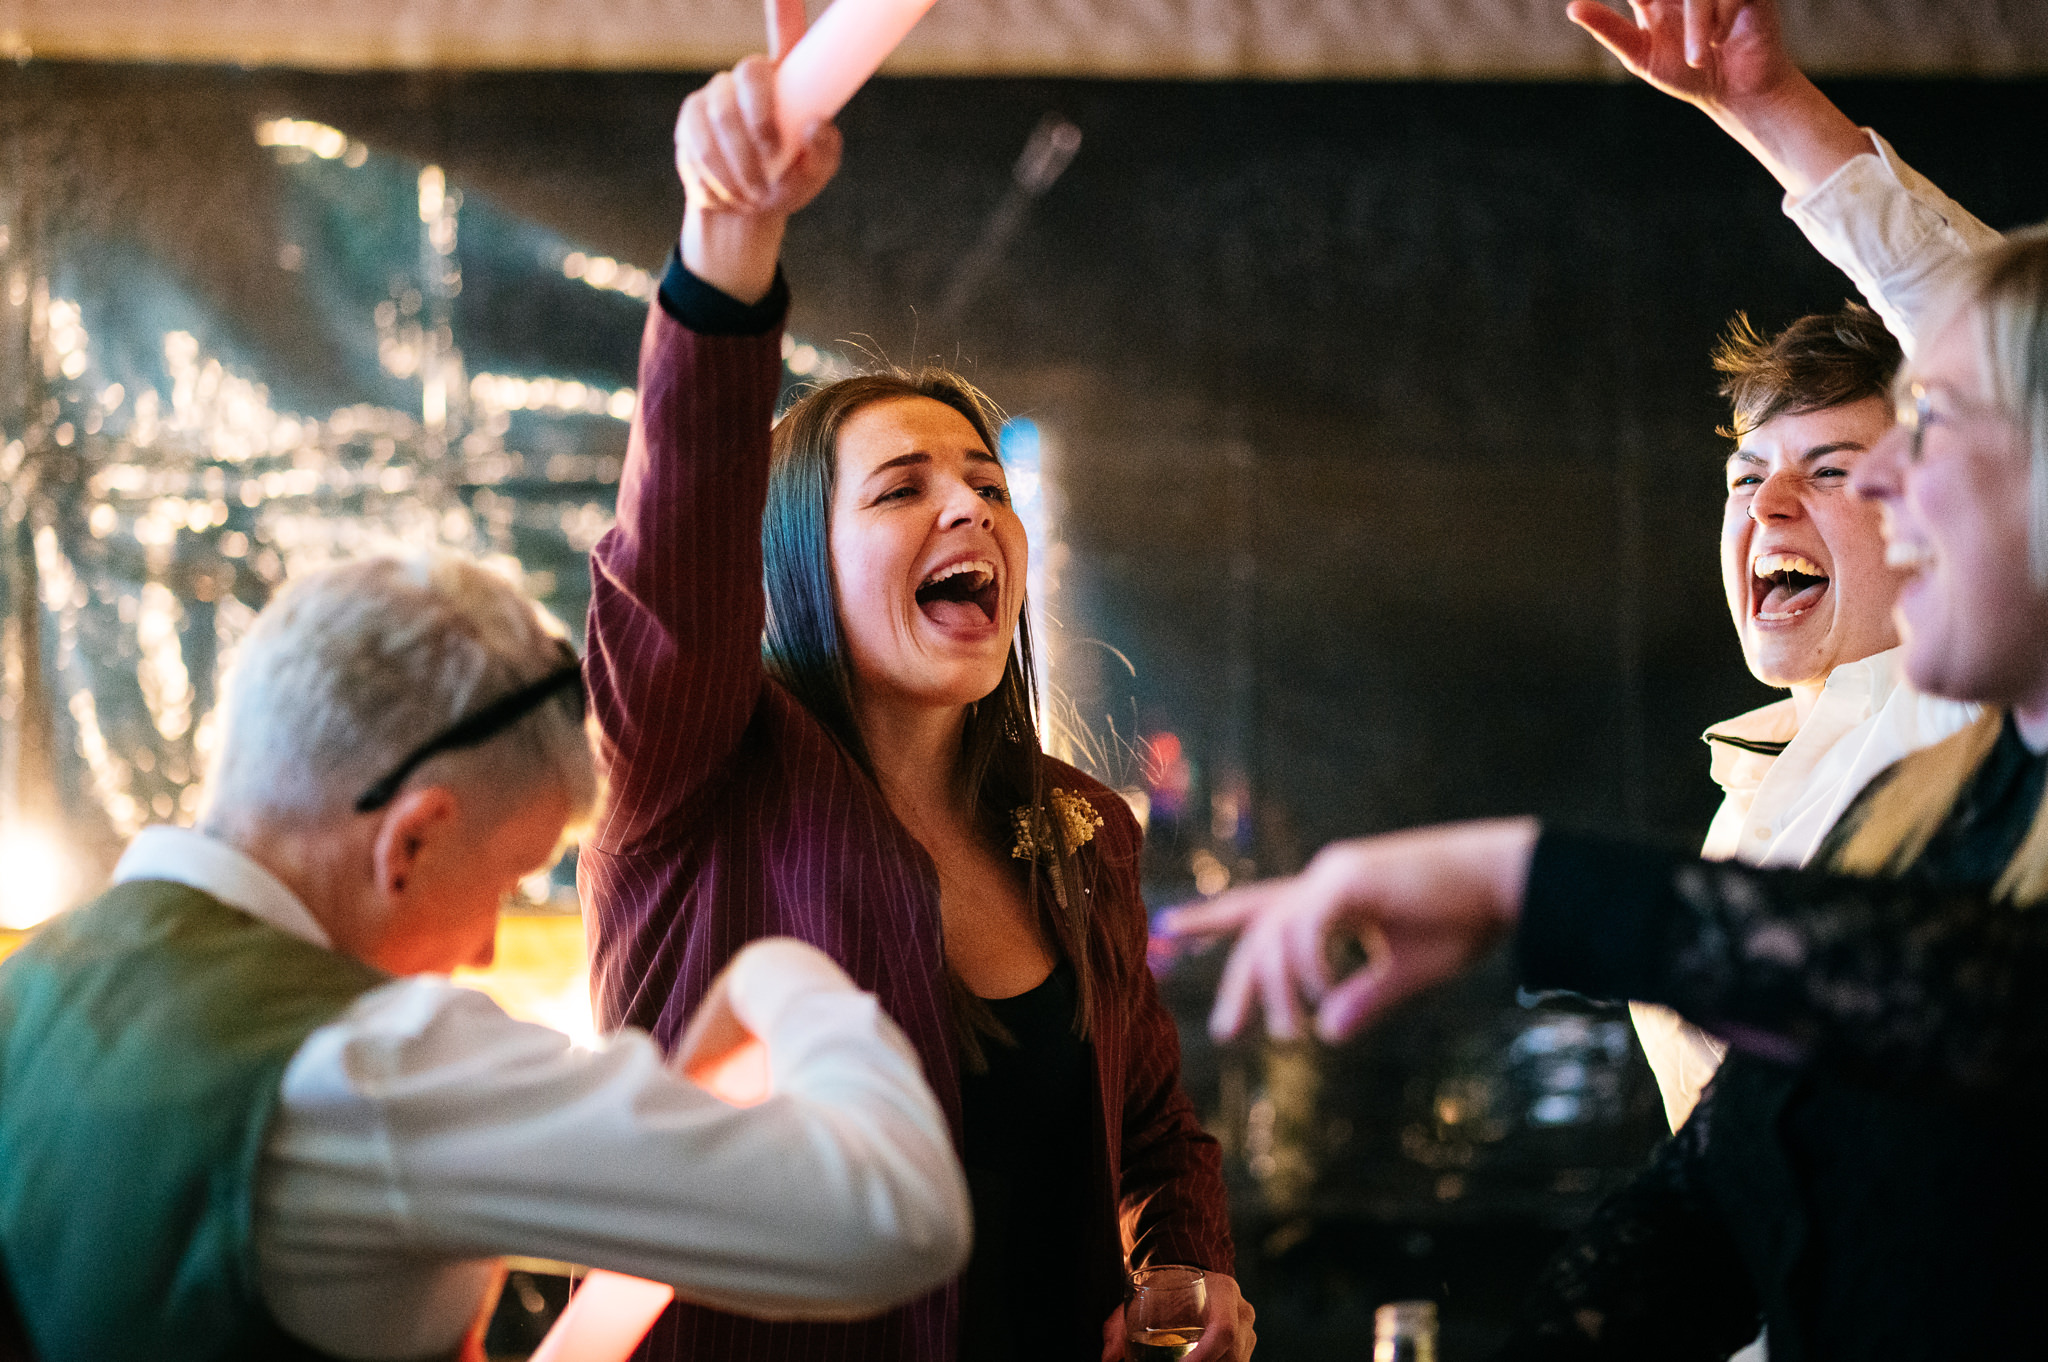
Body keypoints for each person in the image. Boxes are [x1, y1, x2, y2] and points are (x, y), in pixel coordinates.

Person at [1169, 225, 2048, 1358]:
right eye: (1747, 476)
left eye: (1927, 429)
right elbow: (1720, 1188)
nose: (1880, 481)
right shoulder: (1919, 803)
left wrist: (1520, 882)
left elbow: (1974, 998)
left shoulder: (1932, 763)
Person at [578, 46, 1247, 1362]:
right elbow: (670, 567)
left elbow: (1158, 1129)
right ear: (787, 567)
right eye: (900, 490)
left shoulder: (1081, 832)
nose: (970, 507)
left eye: (987, 483)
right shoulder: (698, 778)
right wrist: (728, 243)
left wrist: (1187, 1264)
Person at [0, 553, 971, 1361]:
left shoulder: (34, 992)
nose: (486, 947)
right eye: (506, 882)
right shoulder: (381, 1064)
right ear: (411, 840)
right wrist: (785, 974)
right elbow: (898, 1216)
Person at [1564, 0, 1999, 1131]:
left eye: (1833, 468)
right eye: (1744, 477)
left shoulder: (1969, 729)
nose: (1768, 505)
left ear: (1942, 500)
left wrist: (1773, 113)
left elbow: (2000, 350)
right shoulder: (1766, 779)